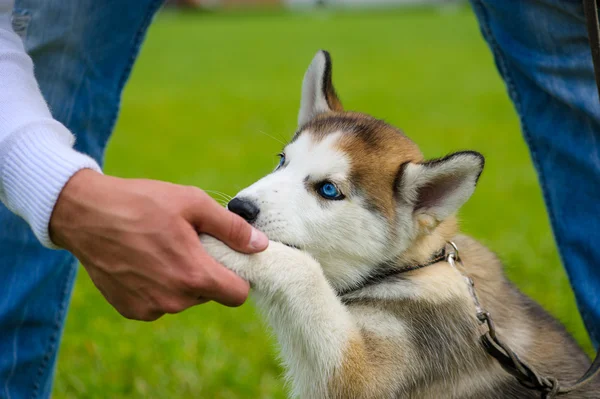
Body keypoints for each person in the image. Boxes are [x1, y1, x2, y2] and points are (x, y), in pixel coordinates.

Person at [0, 0, 598, 398]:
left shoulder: (444, 295)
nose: (253, 197)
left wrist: (282, 267)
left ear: (426, 207)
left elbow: (347, 384)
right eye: (286, 163)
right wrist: (54, 189)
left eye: (329, 191)